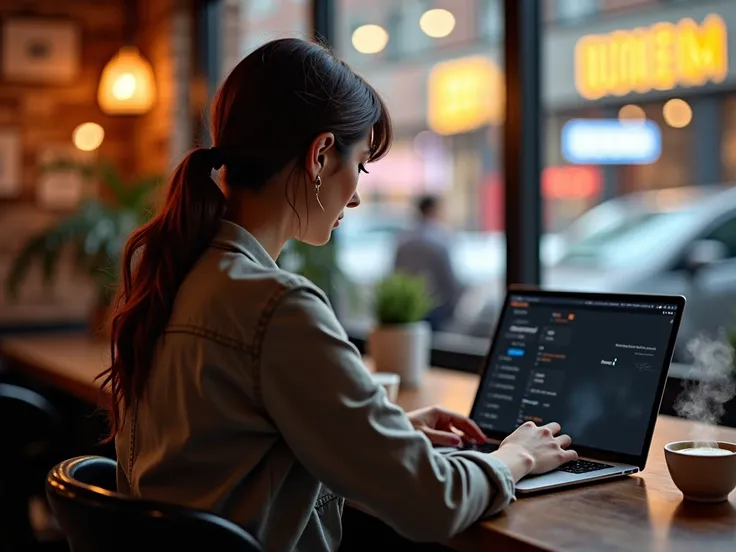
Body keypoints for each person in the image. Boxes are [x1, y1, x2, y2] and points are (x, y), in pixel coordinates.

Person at [98, 38, 577, 552]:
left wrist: (380, 432)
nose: (355, 194)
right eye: (362, 165)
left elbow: (228, 447)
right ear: (321, 154)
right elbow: (433, 503)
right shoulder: (277, 306)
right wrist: (516, 457)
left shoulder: (179, 275)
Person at [394, 195, 463, 331]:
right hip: (435, 308)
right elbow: (448, 279)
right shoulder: (439, 239)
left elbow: (396, 273)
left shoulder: (404, 239)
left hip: (409, 308)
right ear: (433, 210)